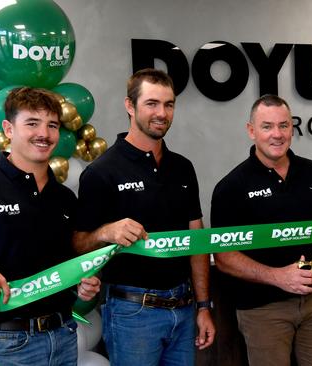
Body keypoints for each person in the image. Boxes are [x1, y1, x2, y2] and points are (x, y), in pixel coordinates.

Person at [73, 68, 215, 365]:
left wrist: (203, 306)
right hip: (132, 312)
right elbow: (78, 244)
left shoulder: (183, 168)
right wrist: (106, 232)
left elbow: (197, 241)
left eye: (169, 104)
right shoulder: (101, 172)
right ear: (130, 106)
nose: (161, 113)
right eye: (151, 103)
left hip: (185, 308)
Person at [211, 94, 312, 366]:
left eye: (284, 125)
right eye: (267, 126)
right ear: (251, 131)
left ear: (292, 128)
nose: (277, 134)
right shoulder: (231, 187)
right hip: (262, 309)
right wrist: (278, 277)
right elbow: (224, 257)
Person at [0, 87, 101, 365]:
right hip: (4, 343)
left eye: (51, 125)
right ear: (8, 128)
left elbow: (65, 259)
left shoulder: (64, 198)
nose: (44, 133)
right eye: (32, 123)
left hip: (63, 335)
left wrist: (82, 281)